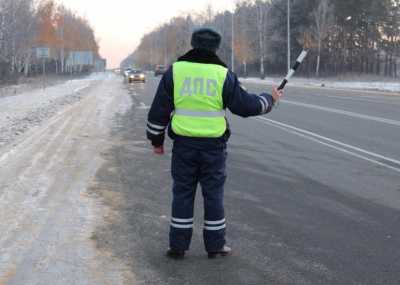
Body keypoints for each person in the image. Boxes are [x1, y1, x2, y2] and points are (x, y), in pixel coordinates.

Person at [146, 28, 283, 259]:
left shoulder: (176, 71)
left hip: (184, 147)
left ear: (192, 44)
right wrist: (269, 99)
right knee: (213, 196)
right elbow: (246, 106)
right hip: (213, 149)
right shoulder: (223, 74)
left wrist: (156, 141)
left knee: (182, 194)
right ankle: (216, 246)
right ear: (216, 48)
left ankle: (178, 246)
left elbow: (158, 111)